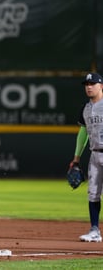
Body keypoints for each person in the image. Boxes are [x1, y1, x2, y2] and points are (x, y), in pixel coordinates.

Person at [70, 72, 103, 242]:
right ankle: (94, 230)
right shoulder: (86, 108)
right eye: (86, 84)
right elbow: (82, 134)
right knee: (93, 194)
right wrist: (76, 158)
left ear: (101, 86)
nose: (89, 87)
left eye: (92, 84)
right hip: (95, 155)